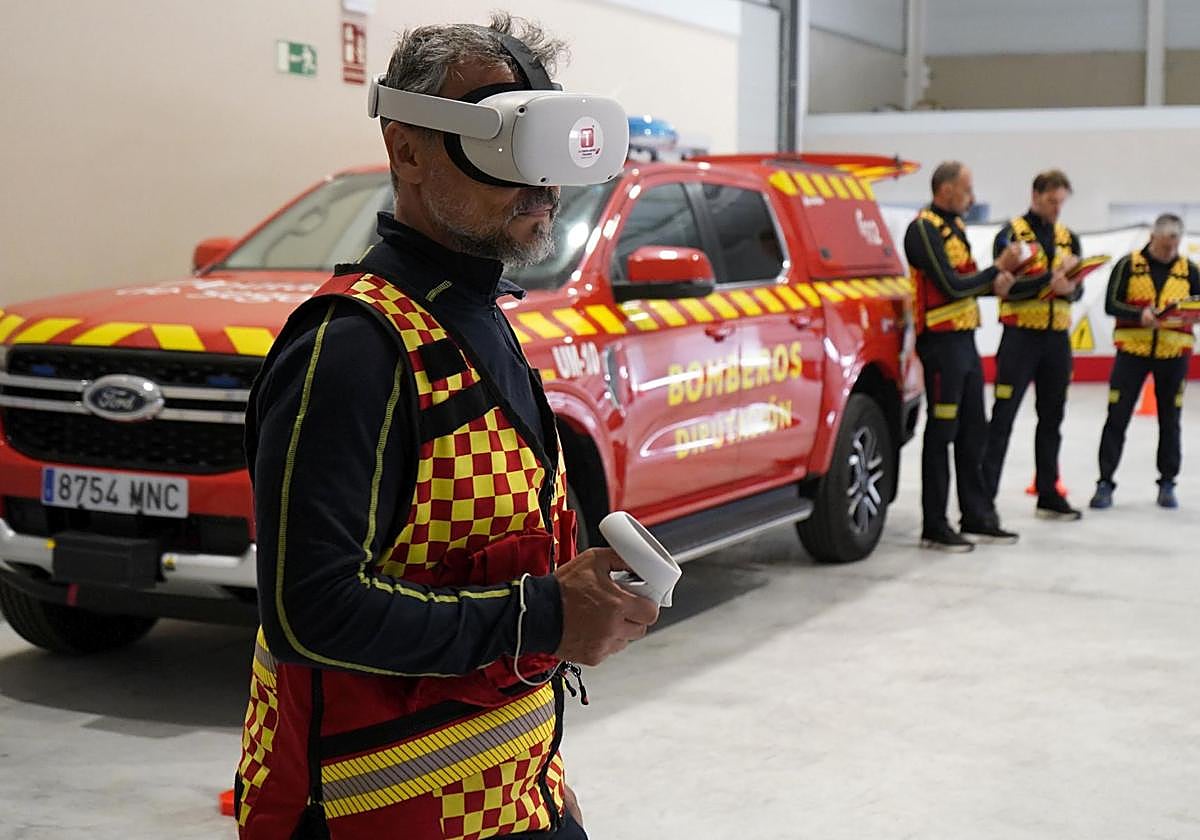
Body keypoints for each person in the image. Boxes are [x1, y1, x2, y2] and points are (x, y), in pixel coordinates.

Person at [234, 16, 659, 839]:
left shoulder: (476, 317)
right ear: (407, 150)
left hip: (512, 800)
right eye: (504, 138)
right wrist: (545, 618)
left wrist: (543, 777)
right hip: (372, 820)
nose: (540, 180)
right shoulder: (352, 349)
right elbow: (308, 613)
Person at [905, 161, 1022, 552]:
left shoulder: (955, 227)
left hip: (965, 342)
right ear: (946, 189)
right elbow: (951, 286)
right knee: (942, 433)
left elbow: (966, 285)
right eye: (967, 189)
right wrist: (995, 269)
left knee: (974, 431)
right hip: (941, 346)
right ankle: (934, 524)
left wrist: (995, 284)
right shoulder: (923, 229)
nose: (972, 197)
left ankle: (976, 515)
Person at [981, 170, 1084, 521]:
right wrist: (1048, 283)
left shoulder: (1069, 238)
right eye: (1052, 201)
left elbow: (1078, 288)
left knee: (1052, 419)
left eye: (1061, 203)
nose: (1057, 209)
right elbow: (1003, 286)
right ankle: (984, 499)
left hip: (1057, 340)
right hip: (1020, 338)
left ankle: (1048, 493)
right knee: (1003, 418)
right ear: (1036, 195)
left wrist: (1071, 289)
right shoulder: (1010, 235)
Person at [1089, 213, 1200, 510]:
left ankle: (1167, 483)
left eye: (1173, 246)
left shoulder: (1190, 270)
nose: (1169, 251)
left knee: (1170, 421)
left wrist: (1190, 315)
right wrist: (1139, 315)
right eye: (1164, 245)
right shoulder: (1128, 265)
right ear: (1152, 238)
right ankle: (1105, 482)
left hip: (1174, 355)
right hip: (1132, 353)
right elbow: (1110, 304)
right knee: (1117, 417)